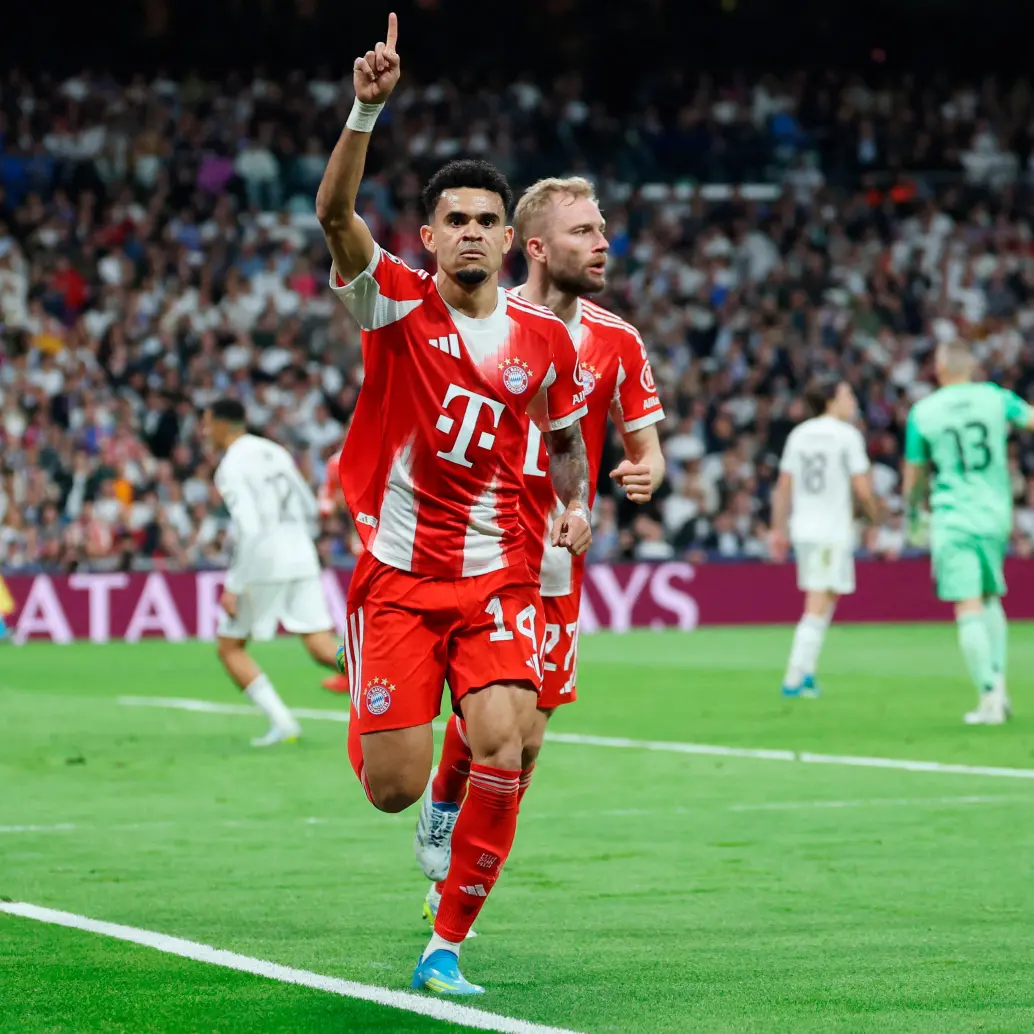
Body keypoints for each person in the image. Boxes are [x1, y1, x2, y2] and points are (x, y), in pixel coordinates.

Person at [316, 14, 591, 996]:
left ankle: (446, 941)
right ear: (428, 235)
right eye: (455, 219)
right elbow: (332, 214)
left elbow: (561, 438)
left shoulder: (545, 343)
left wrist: (573, 503)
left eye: (486, 219)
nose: (471, 230)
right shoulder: (390, 300)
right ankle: (418, 774)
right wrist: (365, 108)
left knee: (509, 738)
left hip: (496, 577)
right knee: (388, 789)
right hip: (397, 579)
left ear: (507, 238)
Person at [414, 176, 666, 928]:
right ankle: (446, 828)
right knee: (501, 725)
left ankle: (455, 819)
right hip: (487, 548)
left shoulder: (616, 339)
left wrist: (642, 471)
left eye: (601, 229)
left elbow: (644, 445)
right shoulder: (485, 314)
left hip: (560, 553)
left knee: (526, 750)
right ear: (534, 247)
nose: (602, 243)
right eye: (584, 231)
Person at [902, 338, 1034, 724]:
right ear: (971, 368)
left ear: (941, 371)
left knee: (968, 604)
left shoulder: (924, 412)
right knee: (990, 597)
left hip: (953, 515)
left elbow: (915, 473)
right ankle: (1000, 688)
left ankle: (989, 695)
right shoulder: (995, 398)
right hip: (996, 513)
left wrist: (913, 511)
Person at [206, 399, 340, 746]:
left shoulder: (230, 467)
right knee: (323, 647)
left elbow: (249, 530)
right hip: (301, 553)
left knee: (230, 647)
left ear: (221, 425)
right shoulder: (275, 451)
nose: (205, 432)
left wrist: (233, 586)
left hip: (264, 562)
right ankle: (391, 691)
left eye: (207, 424)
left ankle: (283, 724)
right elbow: (309, 506)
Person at [769, 380, 880, 697]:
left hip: (804, 527)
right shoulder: (847, 436)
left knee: (827, 598)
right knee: (818, 603)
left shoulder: (799, 434)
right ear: (831, 401)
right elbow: (862, 487)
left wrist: (778, 529)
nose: (852, 400)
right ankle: (793, 676)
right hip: (830, 531)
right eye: (847, 395)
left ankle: (807, 673)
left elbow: (784, 485)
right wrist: (875, 521)